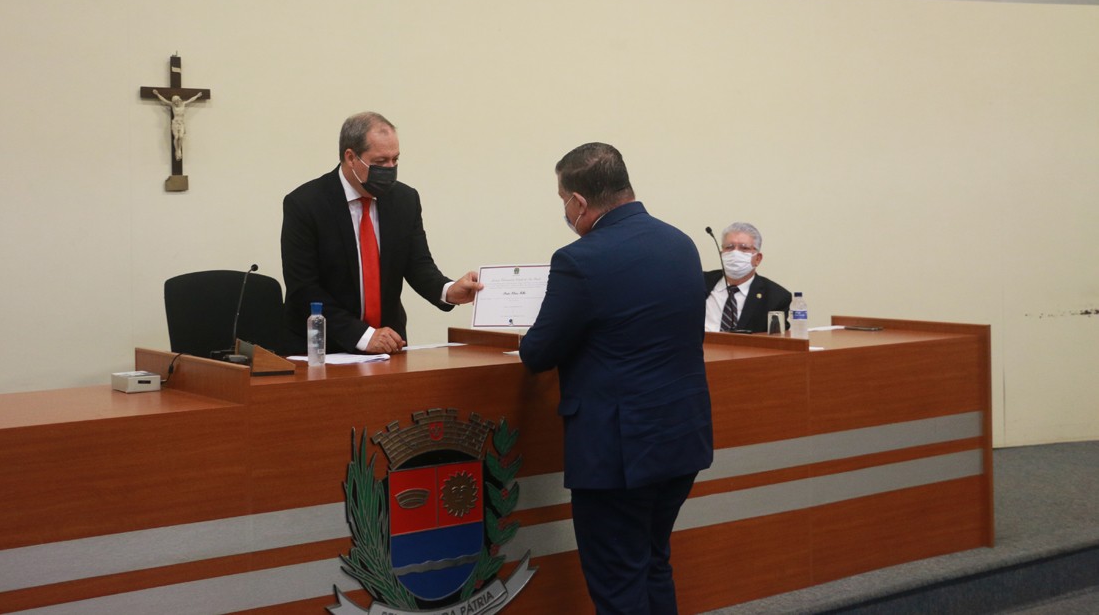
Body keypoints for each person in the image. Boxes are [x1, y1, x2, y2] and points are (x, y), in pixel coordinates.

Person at [519, 143, 713, 615]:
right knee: (653, 564)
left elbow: (538, 352)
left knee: (618, 586)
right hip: (680, 437)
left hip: (618, 452)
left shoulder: (579, 260)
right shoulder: (681, 243)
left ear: (579, 201)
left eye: (563, 200)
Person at [280, 111, 481, 354]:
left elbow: (418, 265)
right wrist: (364, 336)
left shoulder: (405, 199)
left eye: (395, 160)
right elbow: (304, 288)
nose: (390, 169)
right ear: (351, 157)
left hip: (388, 346)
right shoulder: (305, 204)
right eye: (380, 161)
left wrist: (449, 291)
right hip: (323, 348)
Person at [704, 222, 792, 333]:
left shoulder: (776, 298)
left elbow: (778, 339)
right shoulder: (699, 282)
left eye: (744, 248)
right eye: (729, 247)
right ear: (722, 254)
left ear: (757, 259)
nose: (735, 253)